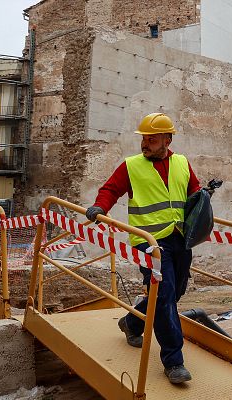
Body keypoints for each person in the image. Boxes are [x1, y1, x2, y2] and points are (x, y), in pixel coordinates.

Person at [85, 112, 200, 384]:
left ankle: (132, 323)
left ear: (167, 140)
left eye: (152, 139)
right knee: (163, 296)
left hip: (179, 238)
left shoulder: (182, 163)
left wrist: (203, 201)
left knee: (175, 291)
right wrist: (101, 207)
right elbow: (111, 190)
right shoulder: (131, 166)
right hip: (149, 243)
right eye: (144, 139)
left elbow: (194, 192)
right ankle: (173, 362)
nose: (145, 144)